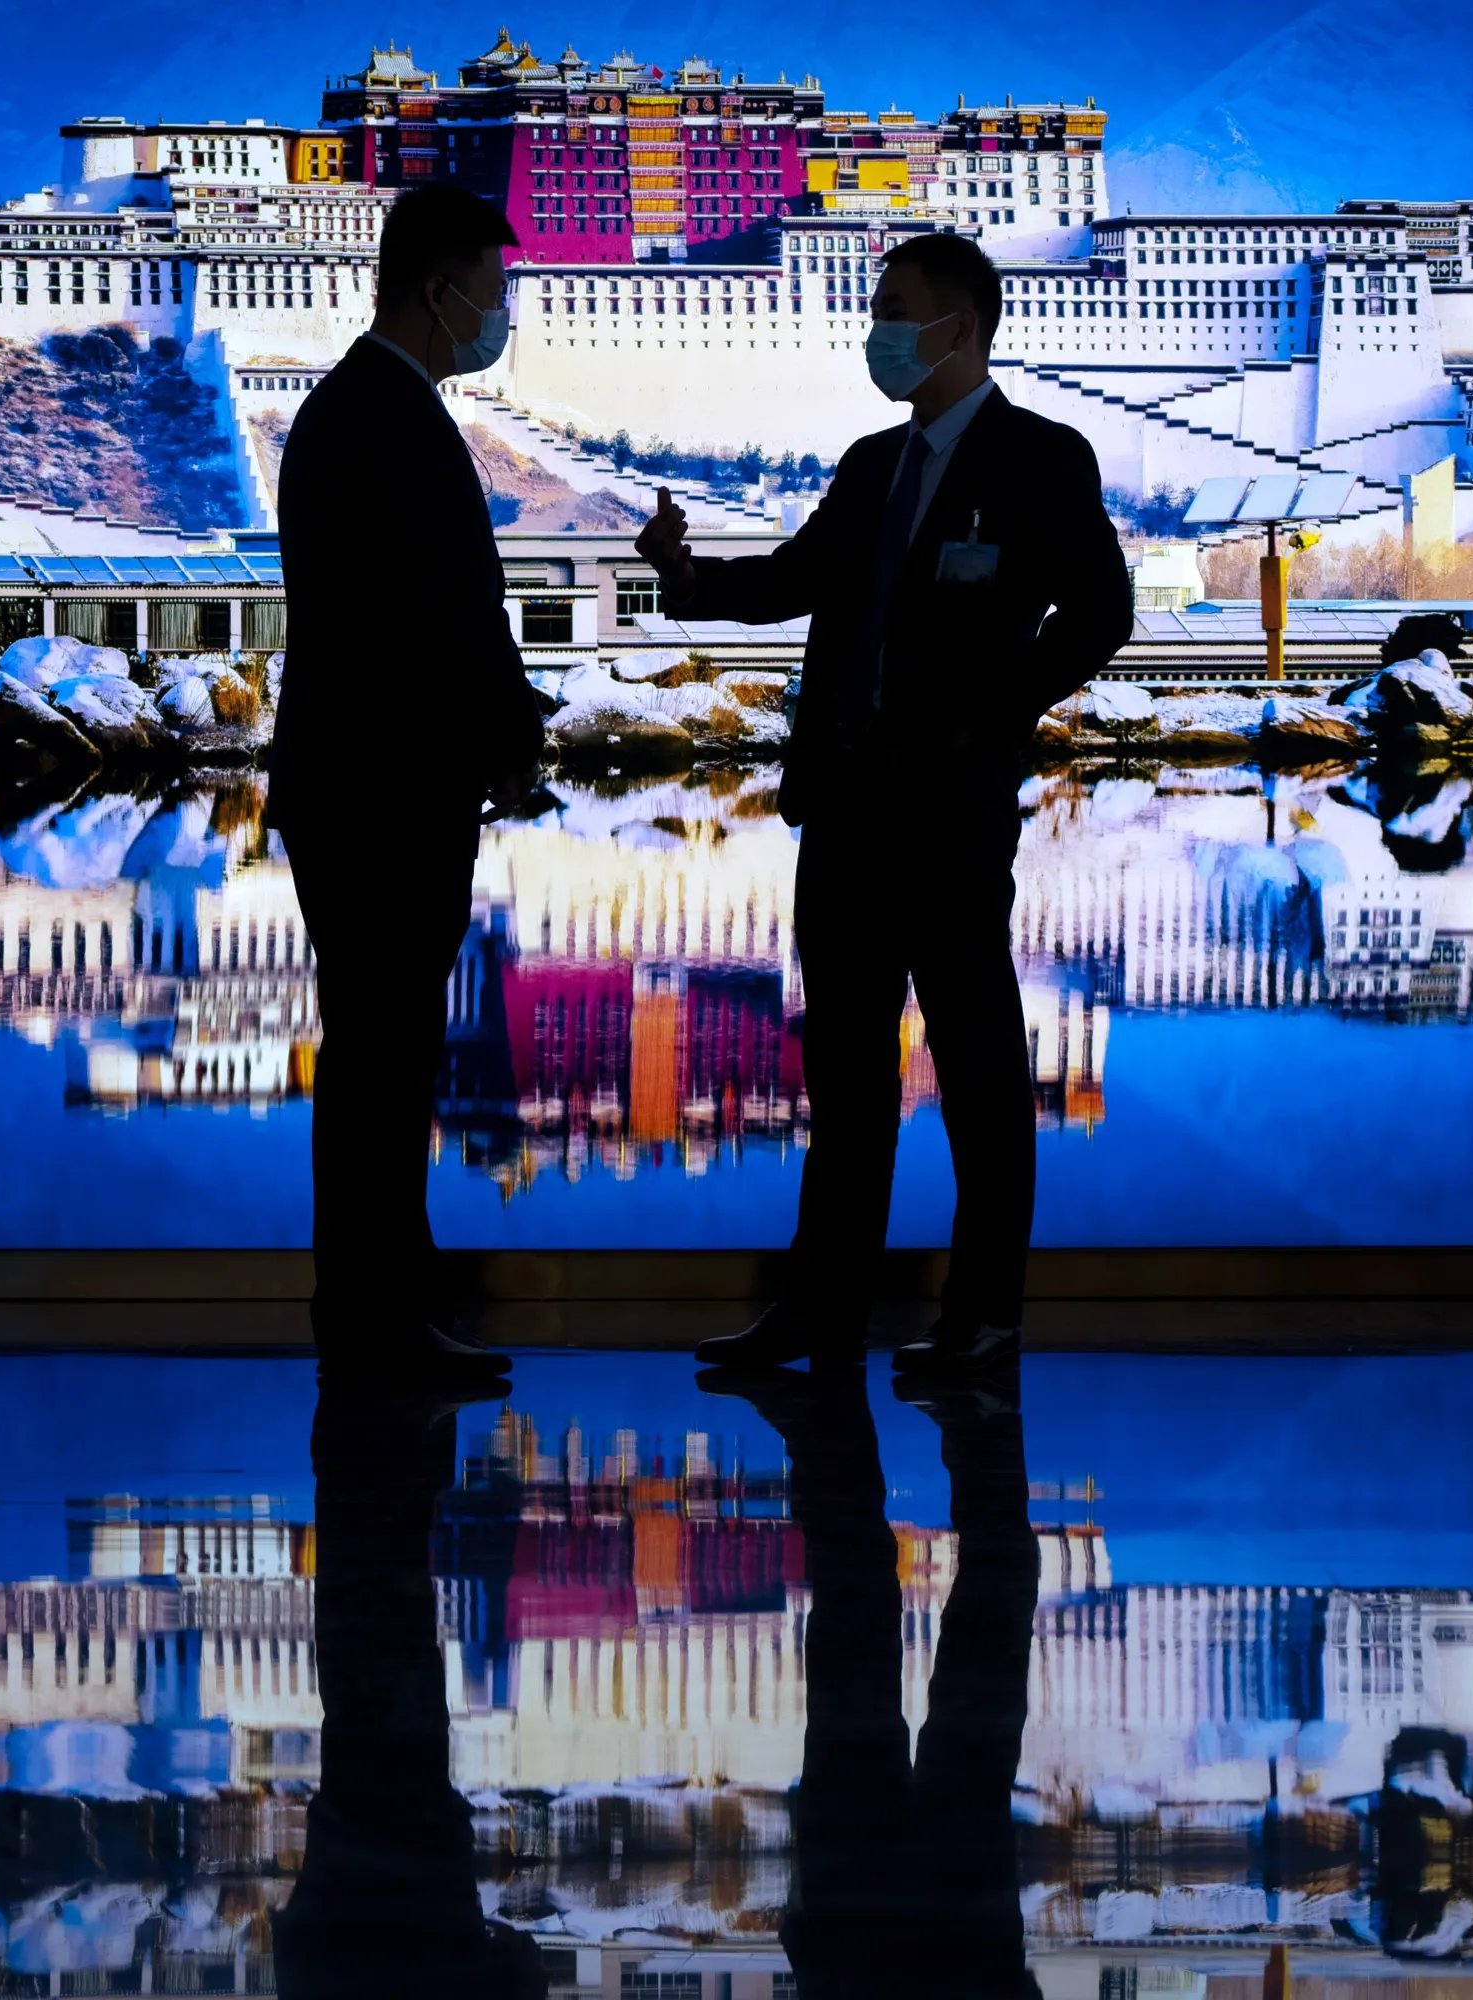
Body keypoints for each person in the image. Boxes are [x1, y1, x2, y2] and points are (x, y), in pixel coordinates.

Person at [636, 231, 1130, 1375]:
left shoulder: (1040, 458)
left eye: (898, 310)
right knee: (846, 1081)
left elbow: (1101, 612)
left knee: (980, 1073)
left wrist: (991, 715)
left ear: (963, 324)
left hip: (950, 815)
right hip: (847, 812)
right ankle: (822, 1307)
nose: (880, 331)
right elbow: (794, 580)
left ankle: (983, 1317)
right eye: (878, 310)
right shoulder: (871, 466)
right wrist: (687, 576)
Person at [270, 183, 549, 1386]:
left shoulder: (357, 408)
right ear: (437, 291)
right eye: (493, 288)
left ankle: (386, 1306)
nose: (501, 312)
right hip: (383, 793)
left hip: (360, 781)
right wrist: (512, 738)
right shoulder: (386, 419)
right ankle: (378, 1319)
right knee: (384, 1063)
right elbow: (446, 616)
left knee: (381, 1056)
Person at [699, 1364, 1039, 1997]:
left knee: (977, 1636)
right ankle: (831, 1420)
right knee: (865, 1633)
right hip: (856, 1933)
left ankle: (976, 1415)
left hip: (947, 1944)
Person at [272, 1381, 549, 1997]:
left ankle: (402, 1406)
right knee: (366, 1610)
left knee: (389, 1610)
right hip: (356, 1863)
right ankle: (389, 1411)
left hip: (410, 1851)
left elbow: (521, 1961)